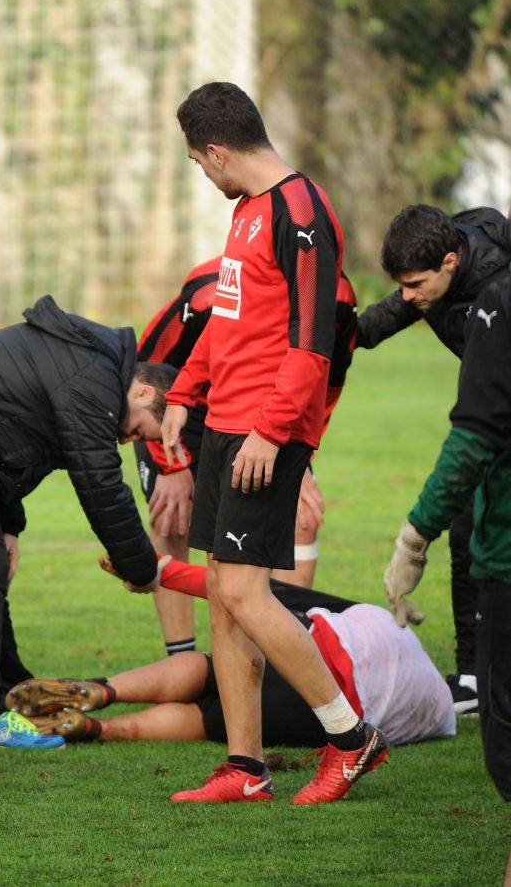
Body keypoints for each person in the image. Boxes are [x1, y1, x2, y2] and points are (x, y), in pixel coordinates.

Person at [160, 81, 387, 805]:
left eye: (199, 163)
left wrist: (270, 429)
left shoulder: (301, 212)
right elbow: (227, 322)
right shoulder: (246, 212)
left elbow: (314, 342)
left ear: (217, 151)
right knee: (223, 597)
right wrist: (182, 392)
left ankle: (350, 737)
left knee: (243, 591)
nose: (204, 174)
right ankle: (245, 767)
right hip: (225, 426)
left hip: (265, 432)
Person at [0, 299, 172, 747]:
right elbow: (99, 484)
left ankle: (11, 690)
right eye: (139, 431)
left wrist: (9, 524)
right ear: (143, 393)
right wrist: (142, 568)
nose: (127, 440)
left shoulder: (92, 368)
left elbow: (16, 434)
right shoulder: (93, 378)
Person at [134, 258, 357, 652]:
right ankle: (182, 658)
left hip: (264, 412)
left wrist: (301, 461)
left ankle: (285, 654)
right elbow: (145, 371)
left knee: (302, 517)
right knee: (172, 517)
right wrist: (171, 464)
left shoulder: (336, 298)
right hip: (182, 402)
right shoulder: (209, 297)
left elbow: (327, 386)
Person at [8, 557, 456, 749]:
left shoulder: (372, 616)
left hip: (318, 648)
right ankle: (99, 729)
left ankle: (103, 689)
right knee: (207, 719)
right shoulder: (437, 710)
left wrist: (161, 570)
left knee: (211, 669)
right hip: (333, 709)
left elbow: (258, 591)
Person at [357, 203, 511, 715]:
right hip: (488, 411)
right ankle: (472, 675)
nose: (407, 295)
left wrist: (413, 543)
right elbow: (383, 319)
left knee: (487, 536)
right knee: (468, 528)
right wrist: (333, 334)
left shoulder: (497, 289)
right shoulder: (436, 273)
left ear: (451, 261)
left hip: (496, 416)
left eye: (415, 284)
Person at [381, 256, 511, 800]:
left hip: (506, 558)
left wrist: (413, 541)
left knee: (505, 749)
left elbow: (473, 440)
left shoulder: (498, 302)